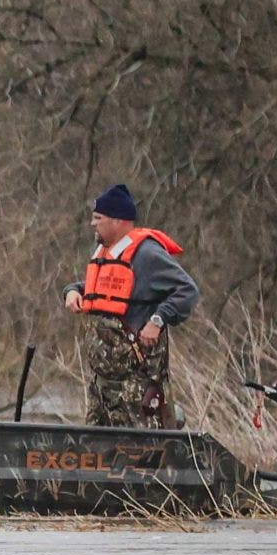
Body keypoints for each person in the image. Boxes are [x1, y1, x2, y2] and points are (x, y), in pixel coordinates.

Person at [63, 183, 199, 428]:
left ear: (117, 221)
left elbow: (187, 290)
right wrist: (73, 291)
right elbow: (100, 288)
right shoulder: (107, 253)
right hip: (103, 387)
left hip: (136, 389)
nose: (92, 223)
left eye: (98, 218)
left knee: (139, 459)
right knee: (95, 455)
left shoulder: (147, 254)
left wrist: (157, 321)